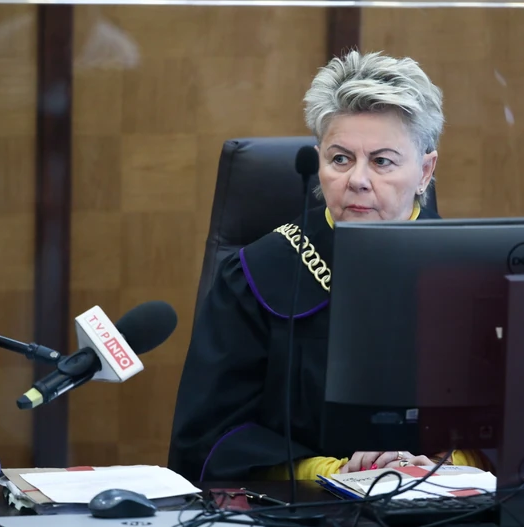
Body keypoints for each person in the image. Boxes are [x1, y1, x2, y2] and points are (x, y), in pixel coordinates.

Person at [168, 50, 491, 482]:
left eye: (382, 161)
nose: (357, 180)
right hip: (303, 507)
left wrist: (443, 465)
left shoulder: (477, 276)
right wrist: (329, 472)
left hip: (449, 505)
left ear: (425, 171)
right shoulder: (255, 274)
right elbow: (208, 439)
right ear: (318, 161)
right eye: (340, 159)